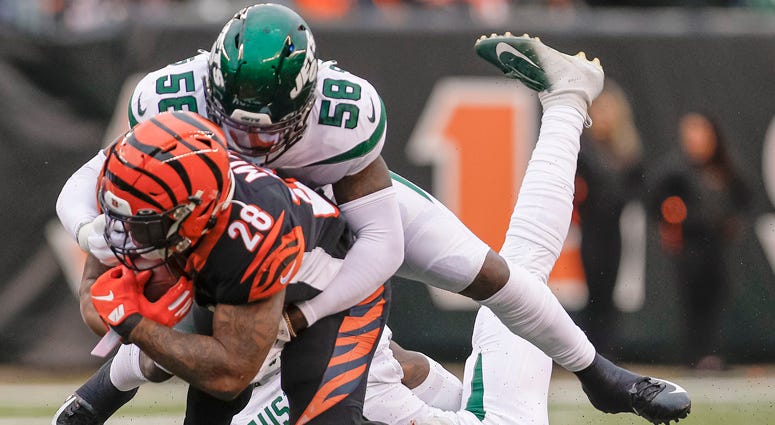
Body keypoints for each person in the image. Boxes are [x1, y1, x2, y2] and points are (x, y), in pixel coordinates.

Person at [54, 4, 690, 423]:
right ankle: (440, 387)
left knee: (496, 276)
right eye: (234, 126)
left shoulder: (341, 121)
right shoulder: (170, 107)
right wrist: (98, 243)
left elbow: (379, 250)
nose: (250, 145)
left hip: (333, 224)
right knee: (364, 364)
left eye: (269, 126)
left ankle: (598, 371)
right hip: (272, 243)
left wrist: (299, 316)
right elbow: (94, 189)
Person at [78, 110, 392, 424]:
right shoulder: (153, 192)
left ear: (191, 212)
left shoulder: (250, 240)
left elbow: (230, 375)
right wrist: (115, 314)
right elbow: (94, 294)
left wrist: (132, 323)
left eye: (143, 224)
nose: (125, 234)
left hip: (336, 295)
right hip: (239, 286)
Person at [650, 111, 749, 370]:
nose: (695, 138)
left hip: (716, 246)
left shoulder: (723, 166)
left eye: (700, 132)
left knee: (716, 297)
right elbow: (656, 201)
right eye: (690, 133)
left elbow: (743, 197)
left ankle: (711, 354)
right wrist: (673, 217)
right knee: (692, 298)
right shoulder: (674, 169)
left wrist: (732, 221)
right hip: (689, 245)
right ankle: (693, 355)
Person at [574, 79, 644, 358]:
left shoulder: (626, 151)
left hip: (614, 230)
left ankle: (607, 350)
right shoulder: (584, 149)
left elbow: (636, 188)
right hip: (591, 229)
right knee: (593, 291)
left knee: (609, 291)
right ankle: (587, 351)